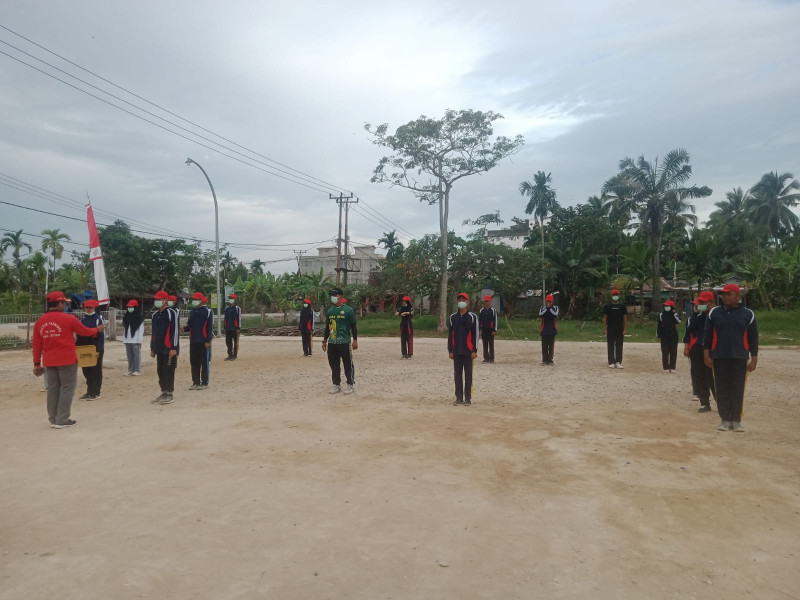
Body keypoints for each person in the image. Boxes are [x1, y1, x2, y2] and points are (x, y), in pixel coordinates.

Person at [32, 291, 104, 428]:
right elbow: (84, 331)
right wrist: (97, 329)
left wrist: (36, 364)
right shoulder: (69, 319)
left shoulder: (39, 322)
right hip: (67, 360)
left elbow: (36, 345)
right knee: (67, 388)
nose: (65, 305)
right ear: (59, 303)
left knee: (53, 389)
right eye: (64, 303)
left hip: (49, 361)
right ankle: (62, 419)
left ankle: (53, 418)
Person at [703, 284, 758, 432]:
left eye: (729, 294)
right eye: (724, 294)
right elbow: (707, 335)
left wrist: (754, 358)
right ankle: (725, 419)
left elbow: (753, 338)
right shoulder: (714, 313)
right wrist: (706, 354)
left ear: (738, 296)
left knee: (738, 389)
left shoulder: (748, 314)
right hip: (719, 357)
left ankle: (736, 420)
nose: (726, 297)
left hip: (740, 357)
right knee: (721, 388)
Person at [683, 291, 716, 413]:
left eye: (702, 302)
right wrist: (688, 347)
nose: (699, 304)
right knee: (699, 376)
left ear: (710, 302)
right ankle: (705, 403)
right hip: (698, 349)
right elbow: (690, 331)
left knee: (714, 377)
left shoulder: (718, 315)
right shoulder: (698, 317)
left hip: (713, 350)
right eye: (699, 302)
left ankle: (721, 402)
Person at [322, 287, 358, 394]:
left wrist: (355, 340)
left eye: (334, 295)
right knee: (334, 364)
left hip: (344, 342)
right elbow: (327, 327)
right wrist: (324, 341)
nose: (332, 297)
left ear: (340, 296)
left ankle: (350, 384)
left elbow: (353, 326)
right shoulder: (330, 311)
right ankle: (336, 384)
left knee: (348, 364)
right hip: (332, 343)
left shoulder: (348, 310)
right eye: (332, 295)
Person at [448, 292, 479, 406]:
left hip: (468, 351)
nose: (461, 301)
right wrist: (450, 350)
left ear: (468, 301)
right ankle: (459, 397)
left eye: (463, 299)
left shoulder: (472, 317)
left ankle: (468, 398)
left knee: (468, 374)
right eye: (459, 299)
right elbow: (450, 335)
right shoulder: (453, 317)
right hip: (456, 351)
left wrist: (475, 350)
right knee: (457, 375)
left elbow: (475, 334)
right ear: (457, 301)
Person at [150, 290, 180, 405]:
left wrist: (174, 348)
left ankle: (169, 393)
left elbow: (175, 331)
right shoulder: (155, 315)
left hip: (169, 348)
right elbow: (154, 333)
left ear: (165, 300)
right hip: (159, 348)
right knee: (160, 371)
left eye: (159, 299)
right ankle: (163, 392)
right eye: (156, 299)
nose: (157, 301)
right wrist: (152, 348)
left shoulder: (171, 313)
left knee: (168, 371)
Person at [76, 299, 105, 400]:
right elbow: (79, 334)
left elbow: (101, 336)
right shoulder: (82, 320)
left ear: (94, 308)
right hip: (84, 348)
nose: (88, 309)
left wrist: (99, 349)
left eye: (90, 308)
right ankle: (89, 391)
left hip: (95, 348)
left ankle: (96, 392)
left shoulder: (98, 319)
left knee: (95, 370)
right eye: (87, 307)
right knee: (86, 370)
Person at [185, 292, 213, 390]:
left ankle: (204, 382)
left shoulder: (208, 311)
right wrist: (184, 329)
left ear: (201, 301)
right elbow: (190, 326)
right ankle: (195, 382)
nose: (194, 301)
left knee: (204, 362)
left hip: (203, 341)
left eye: (196, 299)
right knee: (194, 362)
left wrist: (208, 340)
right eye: (194, 299)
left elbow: (209, 327)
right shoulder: (192, 312)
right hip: (193, 340)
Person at [603, 288, 627, 368]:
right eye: (614, 295)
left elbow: (625, 318)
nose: (615, 296)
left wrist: (625, 329)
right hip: (610, 328)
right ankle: (611, 362)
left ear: (619, 296)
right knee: (610, 345)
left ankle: (618, 362)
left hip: (620, 328)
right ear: (611, 296)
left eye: (616, 295)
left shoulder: (622, 306)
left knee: (619, 345)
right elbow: (605, 318)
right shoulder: (607, 306)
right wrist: (605, 328)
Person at [656, 299, 681, 373]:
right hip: (664, 334)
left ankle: (672, 367)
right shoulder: (661, 314)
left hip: (673, 335)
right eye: (665, 306)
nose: (666, 307)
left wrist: (674, 314)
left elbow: (678, 321)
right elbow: (659, 326)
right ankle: (666, 367)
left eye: (668, 306)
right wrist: (659, 336)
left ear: (672, 307)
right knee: (665, 351)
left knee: (673, 351)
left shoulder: (674, 314)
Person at [123, 299, 144, 376]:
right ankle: (130, 369)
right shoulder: (126, 316)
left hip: (135, 340)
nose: (129, 308)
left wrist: (139, 340)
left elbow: (141, 330)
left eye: (131, 307)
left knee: (136, 355)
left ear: (135, 307)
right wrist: (124, 339)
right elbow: (125, 329)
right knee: (129, 355)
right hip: (127, 339)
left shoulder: (139, 318)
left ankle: (137, 370)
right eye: (128, 307)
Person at [539, 294, 559, 365]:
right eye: (547, 301)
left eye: (550, 301)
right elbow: (541, 314)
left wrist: (549, 308)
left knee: (551, 346)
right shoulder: (542, 308)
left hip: (552, 330)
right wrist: (546, 308)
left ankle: (550, 360)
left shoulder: (555, 308)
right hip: (544, 330)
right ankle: (544, 360)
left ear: (552, 302)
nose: (548, 303)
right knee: (544, 346)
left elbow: (555, 314)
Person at [479, 295, 498, 363]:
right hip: (484, 329)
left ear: (490, 301)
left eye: (488, 301)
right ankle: (486, 358)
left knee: (491, 345)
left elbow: (495, 320)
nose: (486, 302)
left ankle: (492, 359)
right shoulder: (481, 310)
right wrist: (480, 329)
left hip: (490, 330)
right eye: (485, 301)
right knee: (485, 345)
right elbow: (480, 321)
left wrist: (494, 329)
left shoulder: (493, 310)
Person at [224, 293, 242, 360]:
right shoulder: (227, 309)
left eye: (232, 298)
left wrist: (238, 327)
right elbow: (225, 319)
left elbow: (239, 318)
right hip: (228, 328)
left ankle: (235, 355)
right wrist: (225, 327)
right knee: (228, 342)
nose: (231, 300)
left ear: (235, 299)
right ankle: (230, 355)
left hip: (235, 328)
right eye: (230, 298)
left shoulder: (237, 308)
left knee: (235, 342)